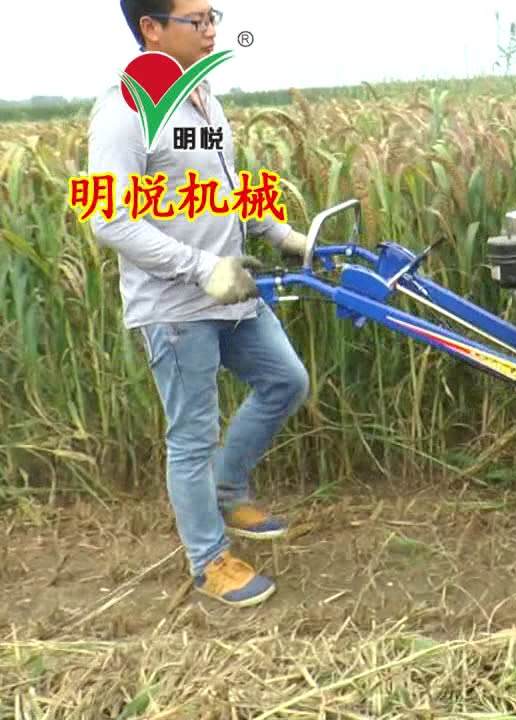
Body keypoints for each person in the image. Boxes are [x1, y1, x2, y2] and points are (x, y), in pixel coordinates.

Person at [88, 0, 311, 608]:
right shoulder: (124, 113)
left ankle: (228, 488)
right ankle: (208, 560)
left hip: (232, 291)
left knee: (285, 381)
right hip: (177, 304)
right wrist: (202, 270)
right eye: (197, 20)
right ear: (151, 29)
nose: (212, 28)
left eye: (213, 15)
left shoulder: (200, 97)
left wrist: (280, 234)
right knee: (191, 434)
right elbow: (112, 219)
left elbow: (225, 187)